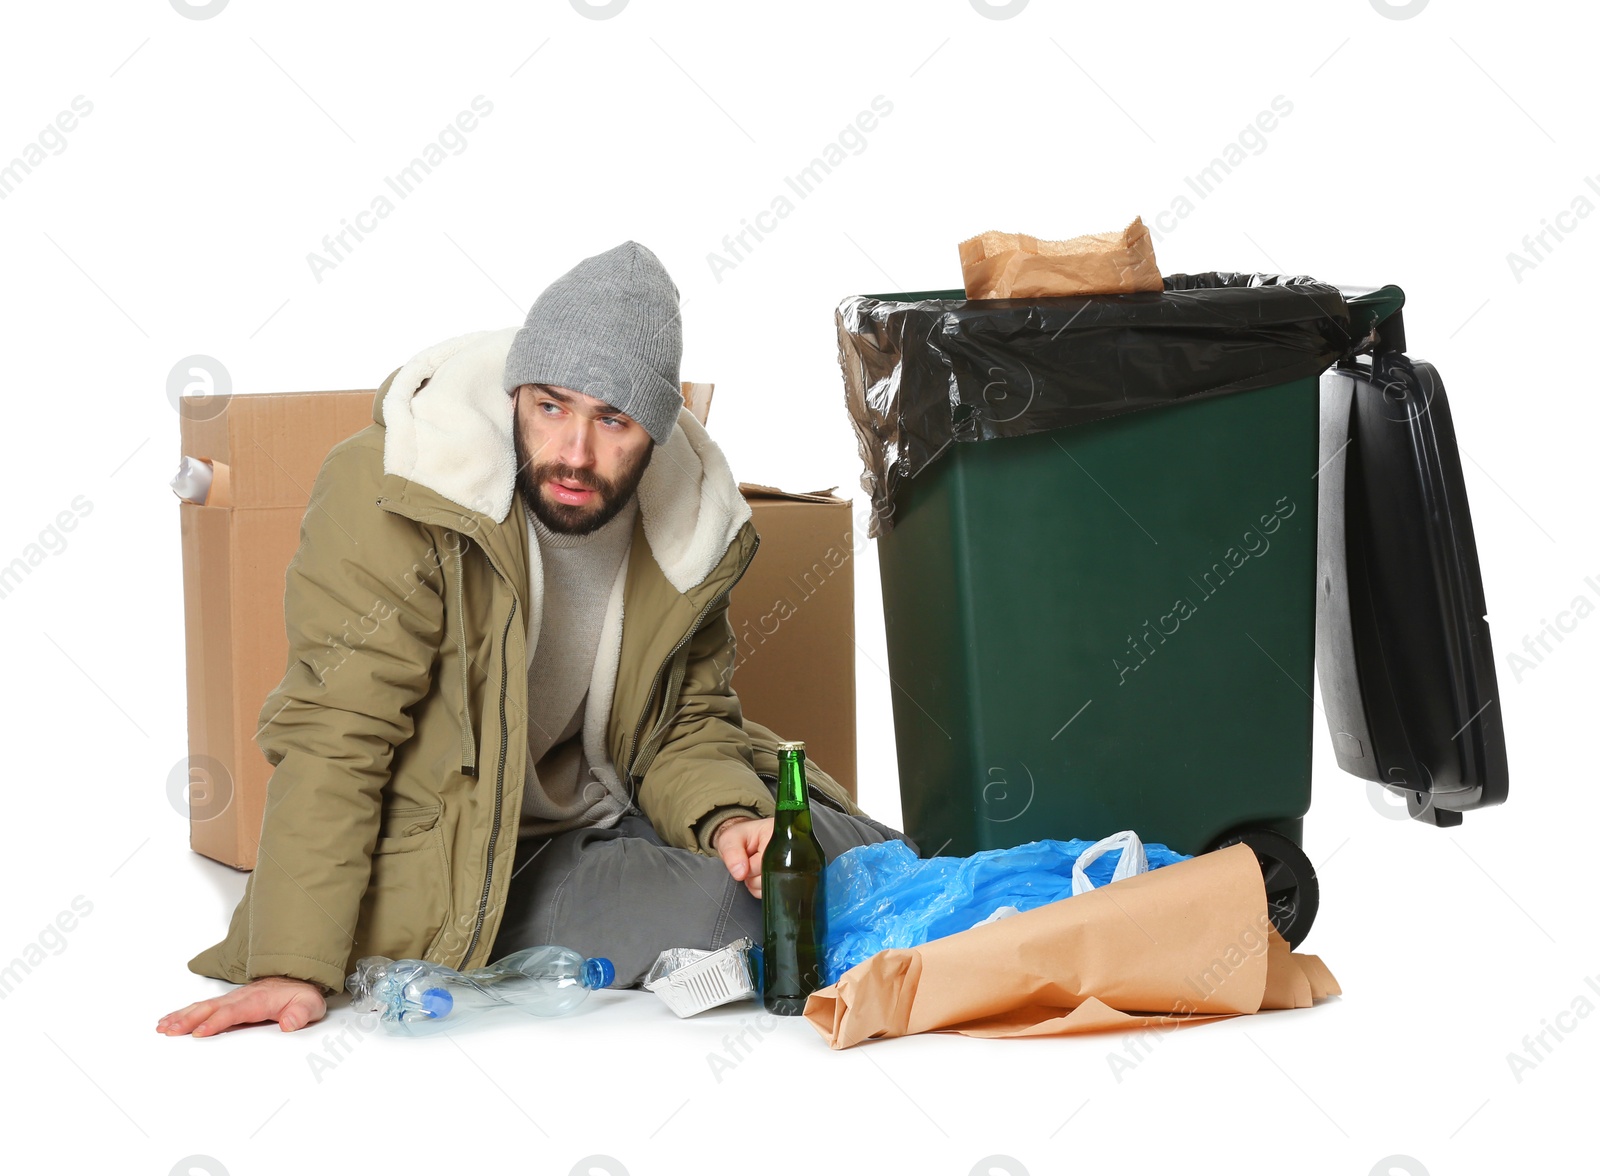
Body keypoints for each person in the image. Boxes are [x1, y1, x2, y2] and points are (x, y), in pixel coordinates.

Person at [157, 241, 913, 1037]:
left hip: (611, 809)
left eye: (613, 421)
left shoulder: (684, 529)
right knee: (741, 910)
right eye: (551, 407)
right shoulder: (400, 491)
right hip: (474, 857)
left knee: (869, 858)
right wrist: (290, 963)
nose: (575, 455)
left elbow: (681, 725)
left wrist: (730, 822)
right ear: (517, 389)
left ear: (655, 433)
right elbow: (338, 732)